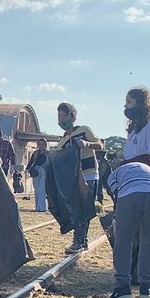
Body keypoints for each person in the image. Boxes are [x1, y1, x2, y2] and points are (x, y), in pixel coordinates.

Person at [106, 161, 150, 298]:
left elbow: (115, 193)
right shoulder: (149, 171)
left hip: (129, 193)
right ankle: (146, 287)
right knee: (149, 242)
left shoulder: (114, 174)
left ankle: (122, 287)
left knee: (123, 241)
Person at [57, 103, 104, 253]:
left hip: (88, 173)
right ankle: (81, 239)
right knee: (76, 209)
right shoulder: (62, 141)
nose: (62, 119)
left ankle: (79, 240)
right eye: (59, 116)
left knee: (83, 208)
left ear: (73, 117)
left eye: (65, 115)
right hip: (73, 177)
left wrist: (86, 144)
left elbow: (100, 145)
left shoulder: (84, 130)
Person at [25, 138, 48, 212]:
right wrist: (27, 169)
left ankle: (42, 207)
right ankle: (37, 207)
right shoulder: (35, 153)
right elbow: (31, 161)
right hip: (35, 171)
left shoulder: (48, 153)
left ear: (45, 145)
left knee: (42, 189)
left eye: (43, 144)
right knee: (37, 190)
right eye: (40, 144)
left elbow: (50, 163)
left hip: (44, 171)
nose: (41, 146)